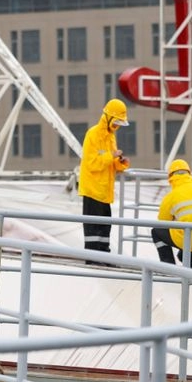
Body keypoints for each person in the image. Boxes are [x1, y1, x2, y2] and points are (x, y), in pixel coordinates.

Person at [79, 98, 131, 264]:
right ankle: (93, 258)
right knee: (93, 227)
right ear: (107, 117)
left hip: (104, 192)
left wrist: (120, 163)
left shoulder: (111, 137)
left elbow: (109, 163)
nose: (116, 127)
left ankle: (104, 256)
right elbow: (92, 163)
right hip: (93, 191)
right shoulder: (93, 134)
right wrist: (111, 156)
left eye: (118, 125)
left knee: (105, 227)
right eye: (115, 123)